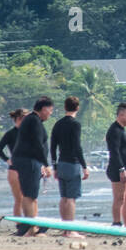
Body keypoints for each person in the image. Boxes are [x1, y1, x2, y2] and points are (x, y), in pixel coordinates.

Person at [12, 96, 55, 233]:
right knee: (30, 195)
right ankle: (31, 229)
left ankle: (31, 227)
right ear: (43, 109)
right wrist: (46, 164)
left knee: (29, 194)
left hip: (27, 160)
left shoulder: (33, 120)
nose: (51, 113)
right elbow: (37, 145)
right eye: (50, 110)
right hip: (28, 161)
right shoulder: (33, 120)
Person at [50, 96, 89, 225]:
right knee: (71, 198)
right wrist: (84, 166)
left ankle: (64, 226)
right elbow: (77, 147)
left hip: (61, 163)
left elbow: (53, 146)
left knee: (64, 197)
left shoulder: (58, 124)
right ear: (77, 108)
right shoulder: (75, 124)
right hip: (72, 164)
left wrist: (54, 166)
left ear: (65, 107)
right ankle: (70, 228)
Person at [105, 103, 126, 227]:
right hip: (117, 169)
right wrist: (121, 169)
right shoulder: (114, 130)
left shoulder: (122, 130)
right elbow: (114, 152)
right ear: (121, 115)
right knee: (119, 198)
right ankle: (116, 223)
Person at [0, 109, 27, 216]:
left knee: (29, 198)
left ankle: (30, 223)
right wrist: (7, 160)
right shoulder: (10, 133)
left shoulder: (30, 132)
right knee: (19, 199)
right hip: (14, 169)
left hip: (28, 167)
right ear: (19, 119)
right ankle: (19, 225)